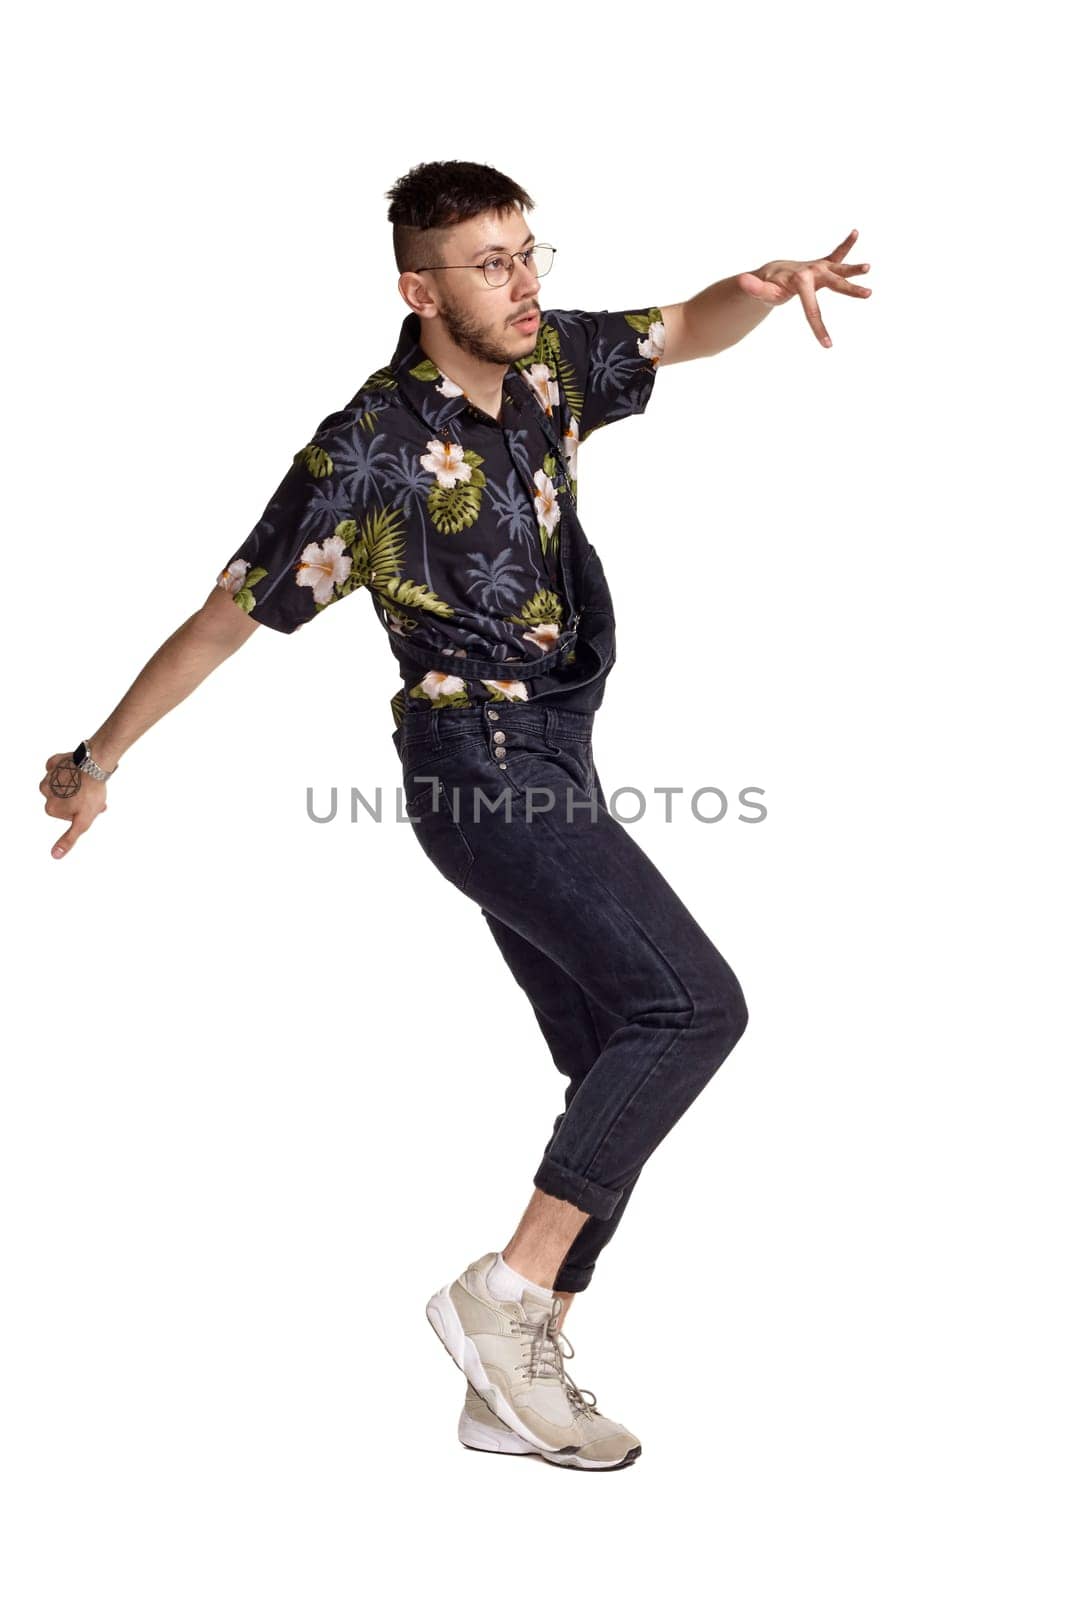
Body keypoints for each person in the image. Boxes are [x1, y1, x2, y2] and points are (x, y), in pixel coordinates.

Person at [39, 160, 871, 1471]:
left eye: (529, 250)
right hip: (474, 765)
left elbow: (677, 328)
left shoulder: (545, 368)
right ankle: (506, 1298)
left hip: (558, 751)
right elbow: (227, 616)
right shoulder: (367, 446)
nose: (524, 279)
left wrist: (766, 289)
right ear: (418, 290)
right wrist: (101, 756)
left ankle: (510, 1390)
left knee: (612, 1041)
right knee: (690, 1007)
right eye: (490, 262)